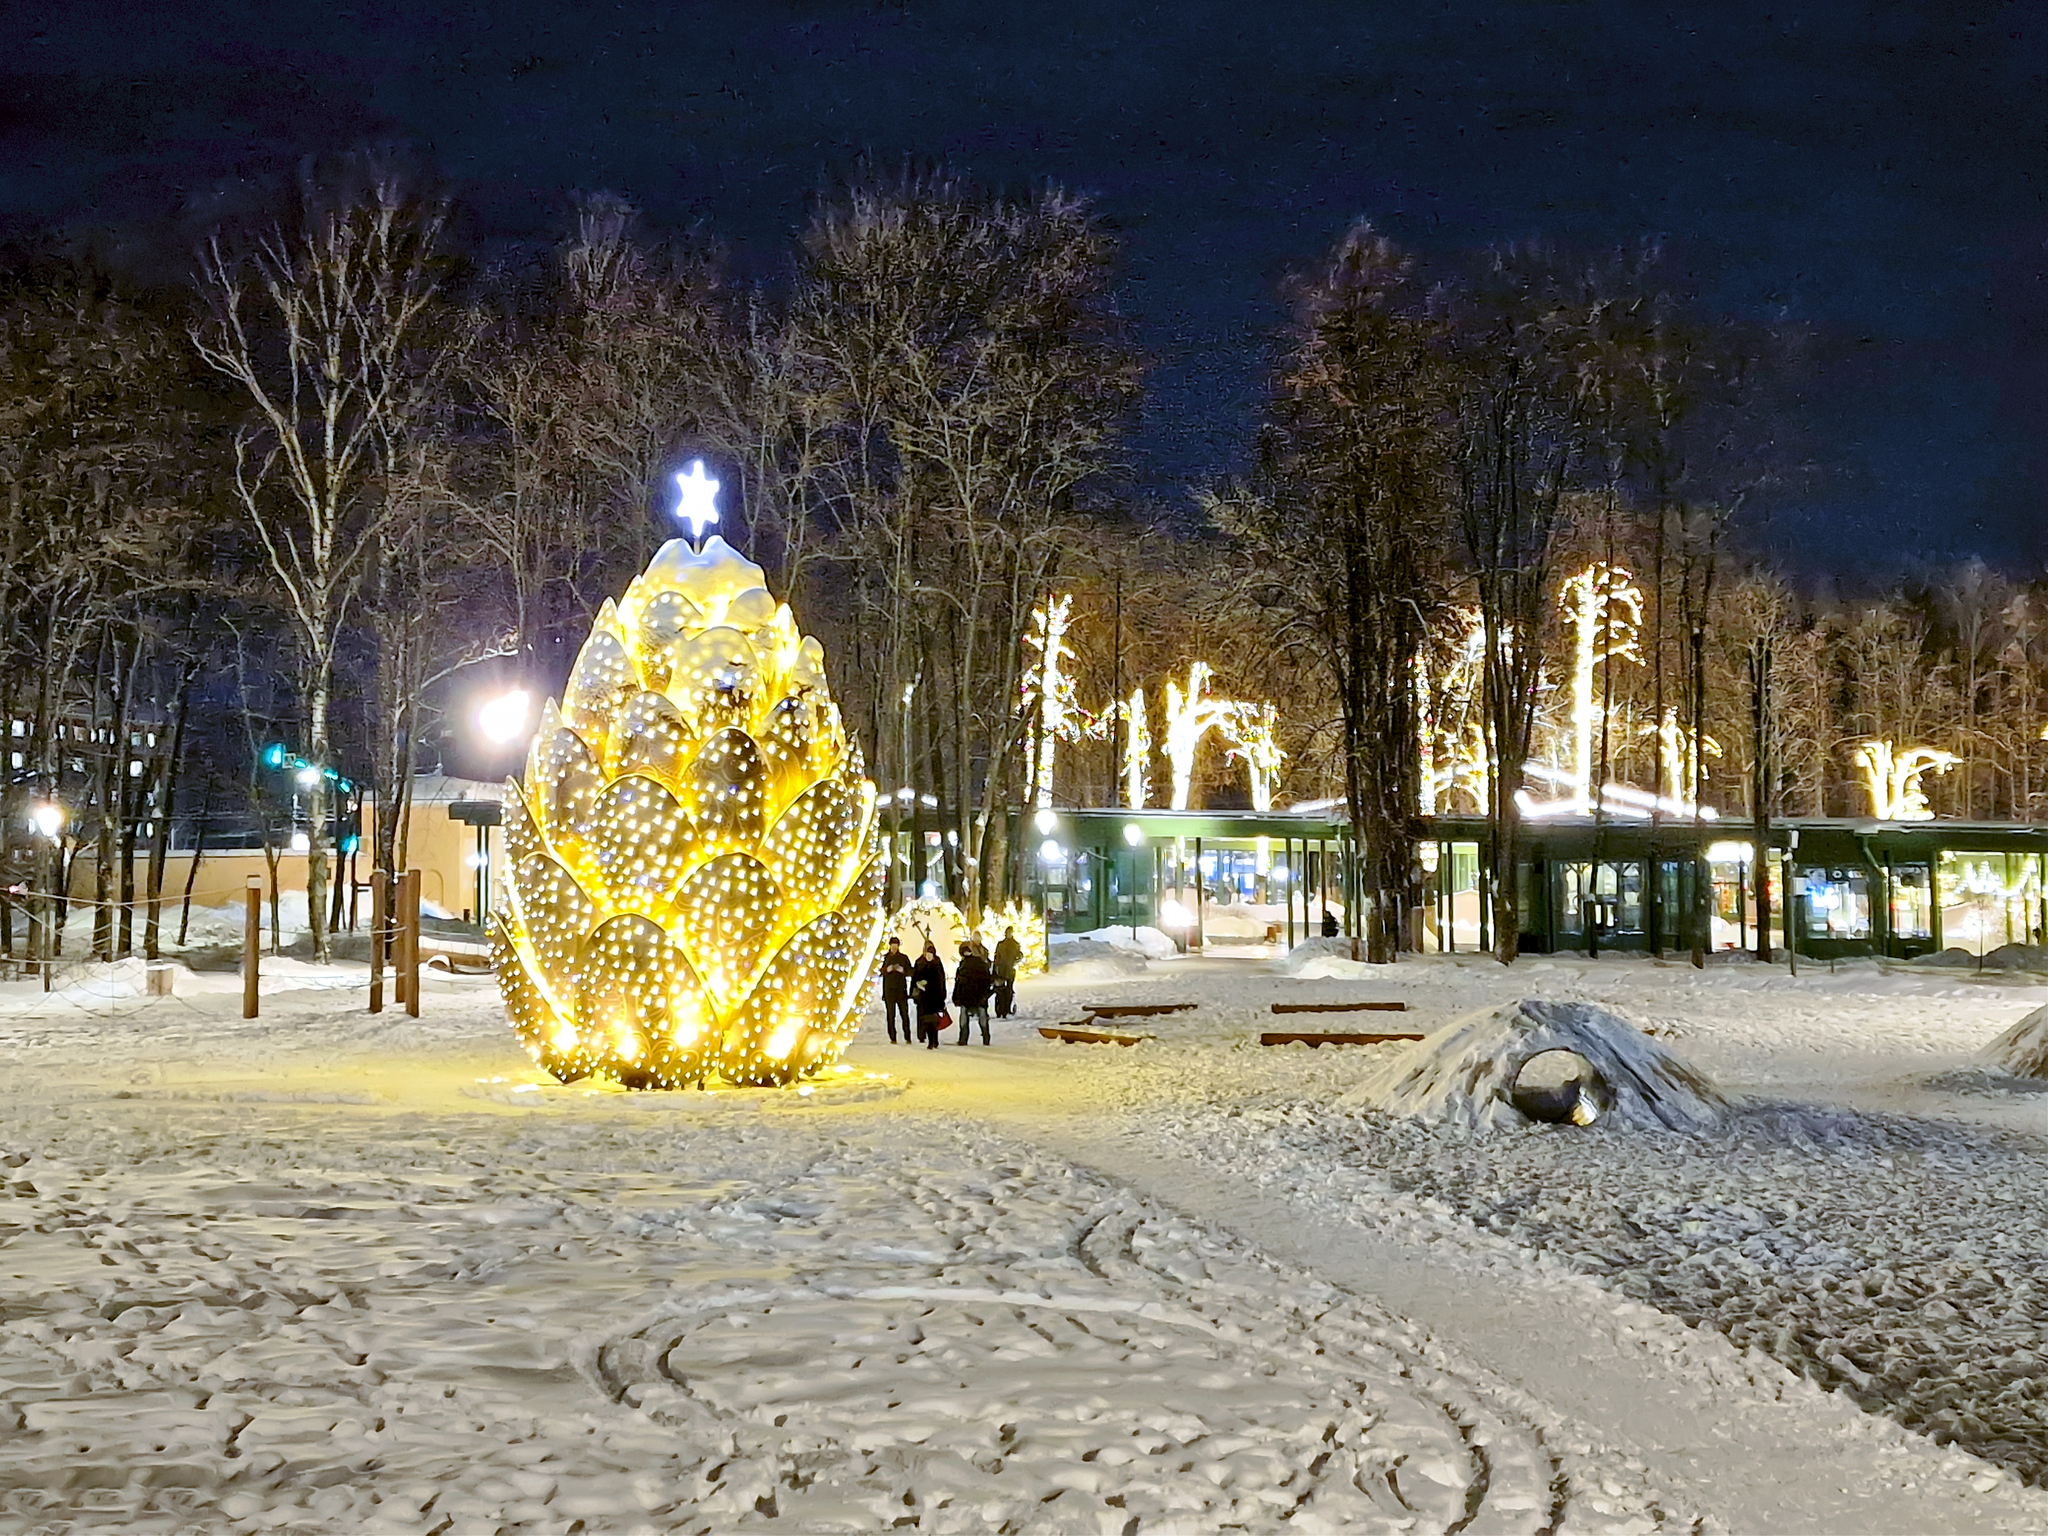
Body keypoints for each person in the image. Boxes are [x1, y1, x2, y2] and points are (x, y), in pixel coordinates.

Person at [953, 938, 994, 1045]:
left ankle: (963, 1039)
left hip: (966, 995)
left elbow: (959, 982)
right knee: (982, 1018)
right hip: (979, 995)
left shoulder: (962, 966)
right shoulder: (980, 962)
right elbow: (987, 979)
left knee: (964, 1019)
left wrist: (956, 997)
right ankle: (986, 1037)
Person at [911, 940, 948, 1049]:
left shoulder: (936, 964)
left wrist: (942, 995)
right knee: (924, 1019)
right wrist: (915, 990)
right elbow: (915, 978)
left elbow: (941, 981)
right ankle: (924, 1036)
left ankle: (933, 1040)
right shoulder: (919, 962)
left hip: (934, 997)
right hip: (923, 997)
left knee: (933, 1020)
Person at [878, 935, 914, 1042]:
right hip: (889, 990)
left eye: (896, 945)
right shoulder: (885, 958)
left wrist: (902, 970)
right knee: (890, 1015)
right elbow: (879, 971)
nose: (894, 947)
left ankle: (907, 1036)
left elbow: (910, 971)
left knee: (904, 1014)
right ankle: (892, 1037)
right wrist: (886, 970)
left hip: (901, 990)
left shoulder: (903, 958)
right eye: (892, 945)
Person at [991, 926, 1023, 1018]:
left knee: (1009, 990)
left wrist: (1015, 961)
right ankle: (999, 1010)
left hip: (1009, 970)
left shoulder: (1015, 945)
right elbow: (997, 957)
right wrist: (995, 968)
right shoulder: (1001, 944)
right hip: (1001, 970)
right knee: (999, 991)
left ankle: (1006, 1009)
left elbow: (1019, 955)